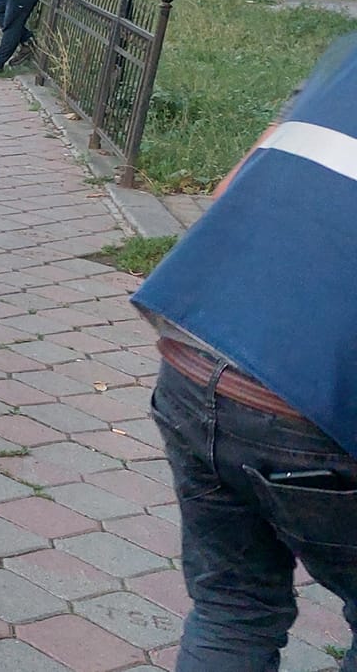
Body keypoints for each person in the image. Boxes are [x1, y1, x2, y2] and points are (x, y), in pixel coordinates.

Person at [131, 33, 357, 672]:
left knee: (234, 604)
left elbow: (232, 187)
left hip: (196, 358)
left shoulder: (348, 54)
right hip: (313, 399)